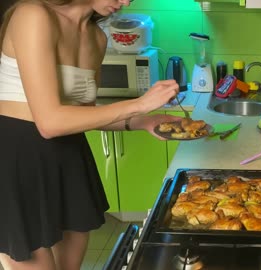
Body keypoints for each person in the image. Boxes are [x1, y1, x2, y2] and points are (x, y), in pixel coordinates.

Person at [0, 0, 182, 269]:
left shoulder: (97, 37)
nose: (126, 2)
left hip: (69, 159)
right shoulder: (32, 15)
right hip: (17, 163)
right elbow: (49, 123)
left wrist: (144, 121)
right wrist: (139, 103)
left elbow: (85, 115)